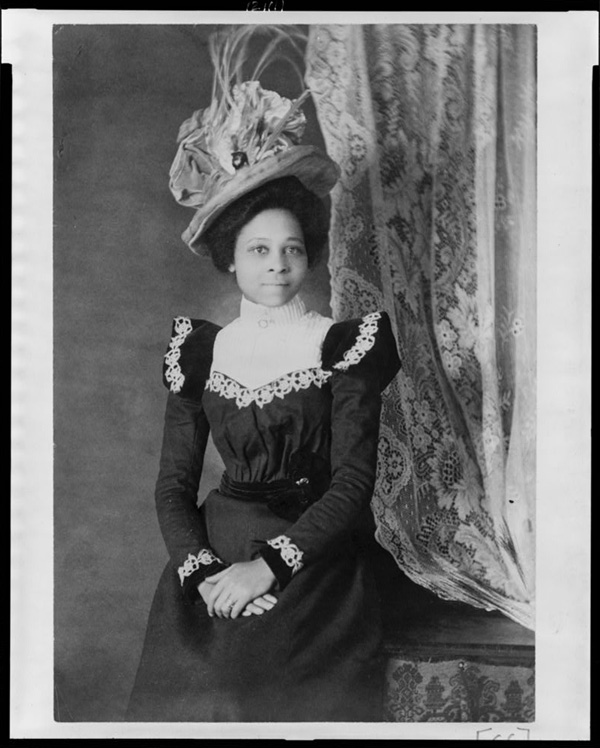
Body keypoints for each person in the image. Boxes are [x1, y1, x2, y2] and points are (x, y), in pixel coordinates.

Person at [126, 34, 400, 723]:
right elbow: (172, 487)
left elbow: (352, 485)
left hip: (313, 560)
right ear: (231, 259)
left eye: (291, 249)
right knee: (194, 687)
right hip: (214, 560)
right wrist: (205, 571)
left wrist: (269, 567)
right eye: (258, 250)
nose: (276, 265)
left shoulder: (342, 345)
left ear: (307, 256)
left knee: (272, 683)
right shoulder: (203, 351)